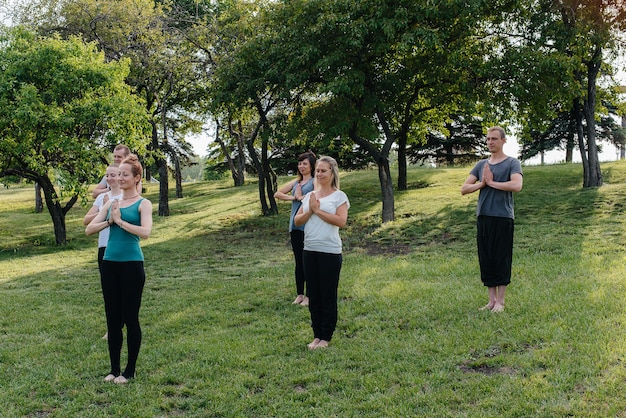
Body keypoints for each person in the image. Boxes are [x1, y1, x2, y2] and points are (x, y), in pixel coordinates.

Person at [86, 154, 153, 383]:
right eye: (119, 174)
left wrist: (121, 222)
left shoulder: (144, 204)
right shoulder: (110, 202)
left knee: (130, 317)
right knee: (112, 318)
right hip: (110, 264)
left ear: (137, 178)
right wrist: (109, 221)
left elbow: (145, 232)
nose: (120, 178)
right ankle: (114, 370)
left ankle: (129, 371)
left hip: (132, 265)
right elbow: (89, 229)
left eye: (125, 174)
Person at [461, 126, 523, 313]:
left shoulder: (512, 163)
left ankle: (501, 302)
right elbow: (464, 189)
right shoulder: (481, 165)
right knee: (486, 257)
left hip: (503, 217)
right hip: (484, 216)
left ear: (503, 141)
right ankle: (491, 300)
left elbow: (517, 185)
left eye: (494, 139)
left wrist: (492, 183)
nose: (490, 142)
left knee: (501, 257)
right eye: (488, 139)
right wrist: (481, 183)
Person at [294, 156, 349, 349]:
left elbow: (341, 221)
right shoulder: (311, 196)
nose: (319, 174)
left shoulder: (339, 196)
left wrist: (318, 212)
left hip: (330, 252)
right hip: (309, 251)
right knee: (314, 295)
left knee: (327, 294)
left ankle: (326, 336)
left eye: (323, 170)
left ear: (332, 173)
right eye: (317, 170)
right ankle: (316, 335)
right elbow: (297, 221)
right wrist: (311, 211)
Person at [83, 164, 123, 340]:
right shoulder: (101, 198)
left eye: (112, 175)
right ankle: (112, 328)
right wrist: (103, 208)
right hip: (103, 248)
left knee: (123, 290)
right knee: (109, 292)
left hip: (121, 247)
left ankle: (122, 324)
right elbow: (86, 221)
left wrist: (108, 210)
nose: (109, 178)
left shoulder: (126, 196)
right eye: (107, 175)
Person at [274, 151, 317, 306]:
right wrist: (294, 197)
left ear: (312, 165)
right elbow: (277, 194)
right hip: (295, 227)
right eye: (299, 163)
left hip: (309, 226)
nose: (301, 166)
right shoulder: (295, 183)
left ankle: (309, 296)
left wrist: (302, 197)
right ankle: (300, 294)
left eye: (304, 163)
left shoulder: (314, 181)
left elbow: (316, 197)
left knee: (309, 262)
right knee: (299, 262)